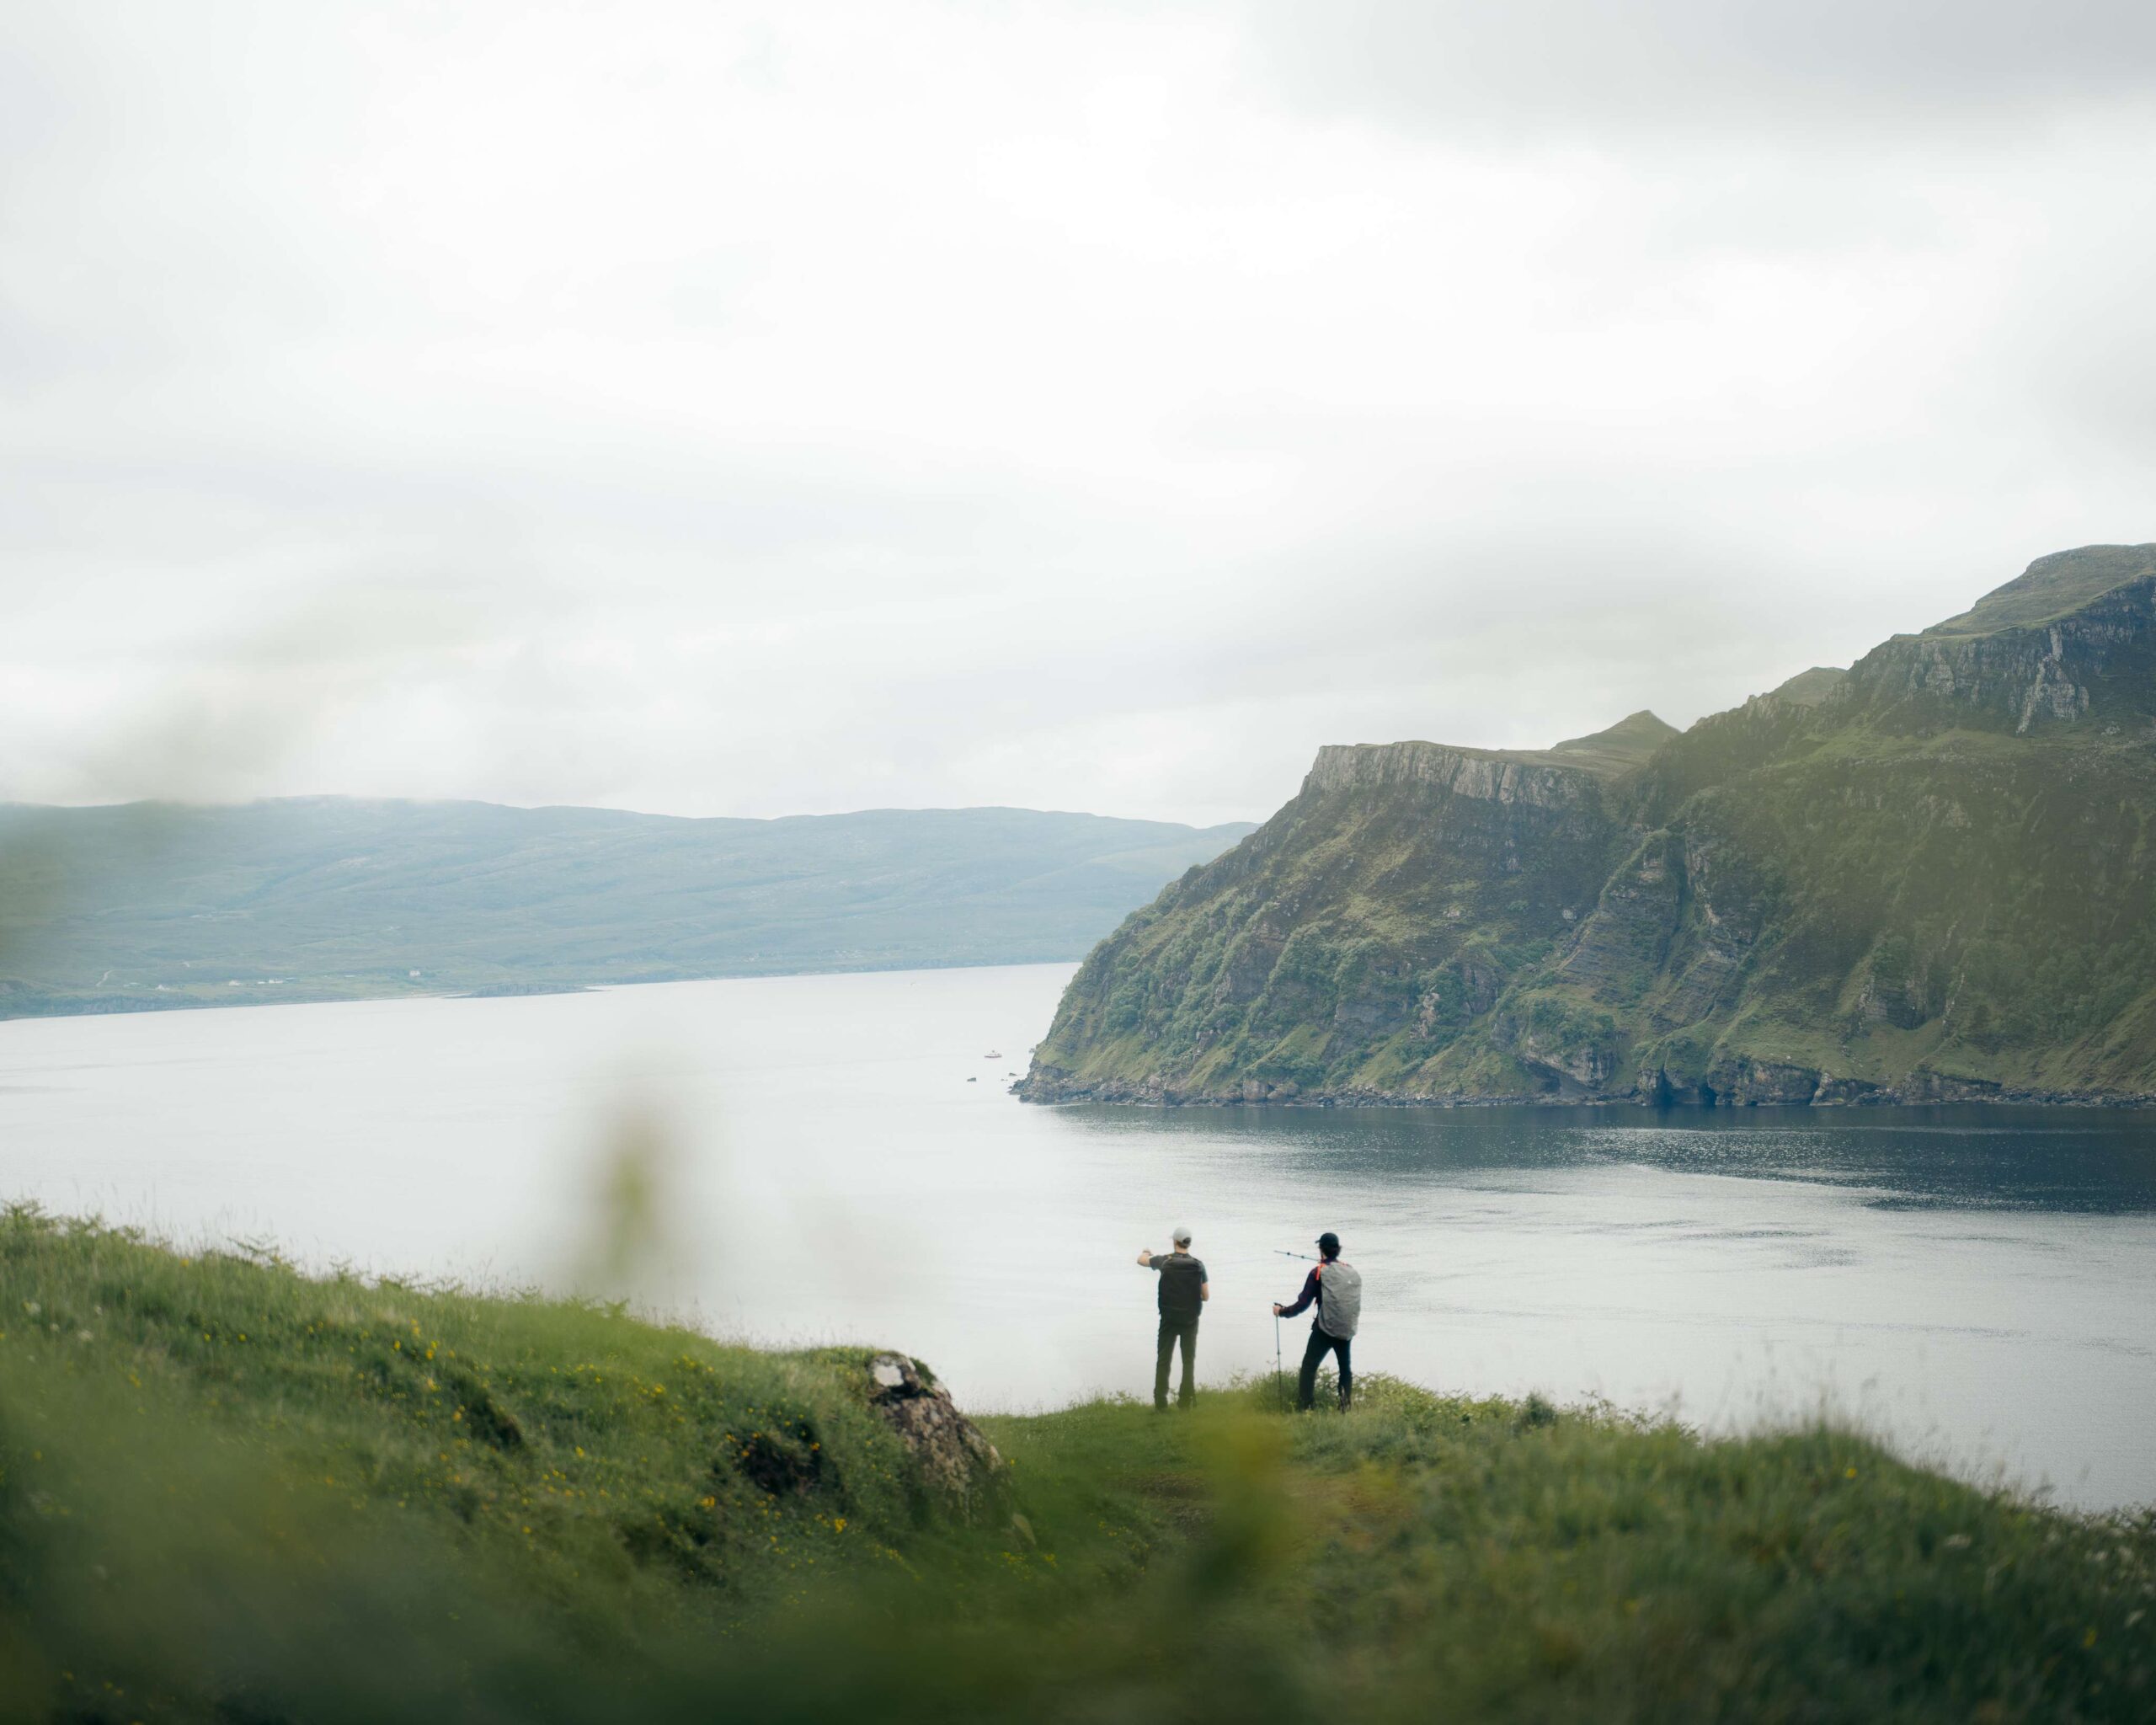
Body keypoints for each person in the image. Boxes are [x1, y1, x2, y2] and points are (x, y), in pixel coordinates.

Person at [1273, 1231, 1360, 1411]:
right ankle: (1345, 1407)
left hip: (1325, 1329)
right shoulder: (1348, 1269)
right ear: (1339, 1250)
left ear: (1321, 1249)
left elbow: (1302, 1304)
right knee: (1345, 1367)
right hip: (1346, 1329)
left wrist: (1281, 1312)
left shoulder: (1318, 1272)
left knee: (1309, 1366)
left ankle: (1305, 1407)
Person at [1136, 1227, 1209, 1410]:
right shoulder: (1199, 1265)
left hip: (1168, 1319)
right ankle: (1185, 1402)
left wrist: (1146, 1252)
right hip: (1190, 1320)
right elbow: (1206, 1296)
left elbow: (1140, 1261)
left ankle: (1161, 1403)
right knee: (1188, 1361)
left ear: (1175, 1242)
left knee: (1164, 1359)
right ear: (1189, 1243)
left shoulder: (1164, 1261)